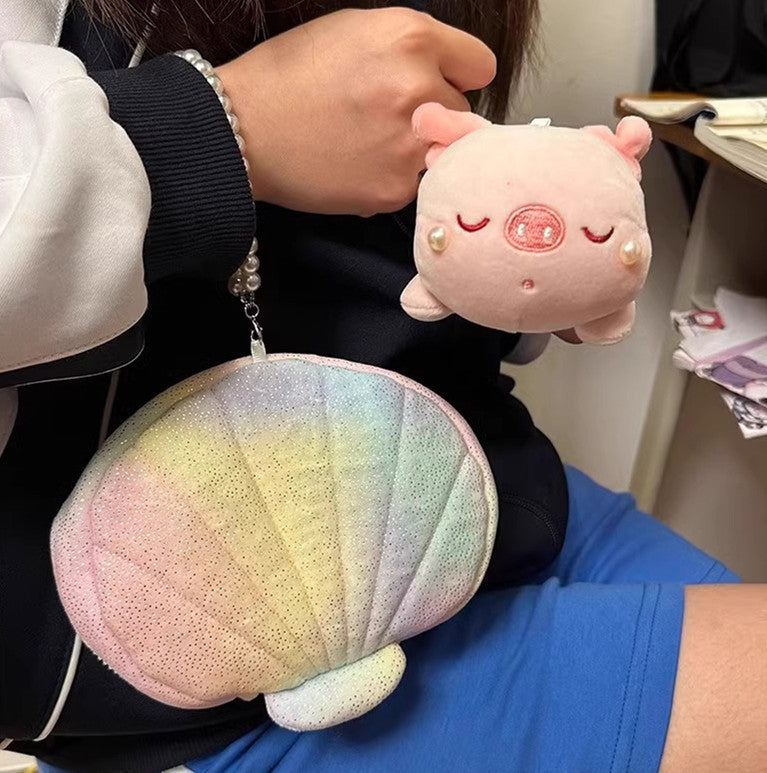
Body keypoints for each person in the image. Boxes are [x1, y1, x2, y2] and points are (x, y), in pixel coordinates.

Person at [0, 2, 764, 772]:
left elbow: (385, 265)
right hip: (204, 652)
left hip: (470, 481)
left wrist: (517, 277)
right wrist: (220, 127)